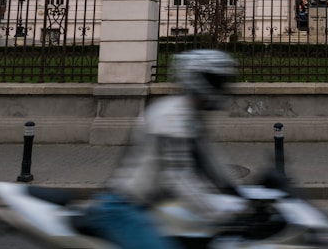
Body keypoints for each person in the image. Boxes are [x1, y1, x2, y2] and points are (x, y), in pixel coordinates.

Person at [84, 49, 244, 248]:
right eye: (217, 81)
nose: (222, 88)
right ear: (200, 80)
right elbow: (178, 177)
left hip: (151, 206)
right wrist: (221, 213)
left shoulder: (191, 115)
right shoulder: (170, 116)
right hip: (123, 207)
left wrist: (240, 194)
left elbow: (212, 160)